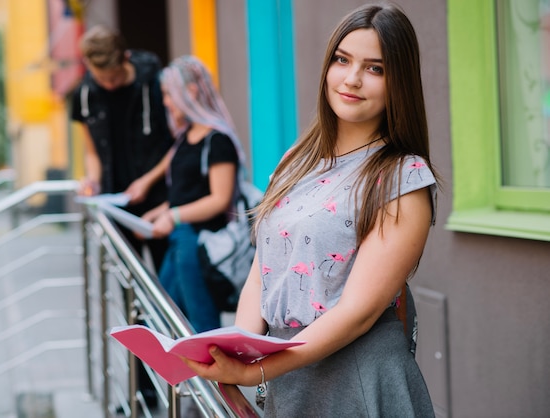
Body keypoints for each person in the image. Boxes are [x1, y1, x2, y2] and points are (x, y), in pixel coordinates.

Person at [183, 3, 438, 417]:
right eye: (342, 60)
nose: (352, 79)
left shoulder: (402, 177)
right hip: (292, 378)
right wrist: (231, 361)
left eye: (375, 68)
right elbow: (263, 272)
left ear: (399, 83)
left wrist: (258, 371)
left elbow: (357, 313)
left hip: (359, 375)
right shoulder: (294, 162)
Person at [141, 55, 244, 333]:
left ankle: (214, 378)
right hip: (179, 240)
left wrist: (172, 215)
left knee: (200, 325)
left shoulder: (217, 140)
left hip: (200, 244)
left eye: (168, 95)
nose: (165, 102)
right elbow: (187, 191)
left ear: (192, 92)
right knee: (164, 315)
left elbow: (219, 199)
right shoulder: (186, 136)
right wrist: (160, 211)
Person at [70, 25, 172, 272]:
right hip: (116, 205)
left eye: (113, 77)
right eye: (100, 78)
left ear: (125, 58)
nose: (108, 85)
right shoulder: (84, 95)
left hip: (160, 198)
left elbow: (178, 143)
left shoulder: (155, 81)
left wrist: (147, 181)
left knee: (168, 284)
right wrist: (93, 181)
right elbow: (92, 151)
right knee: (128, 280)